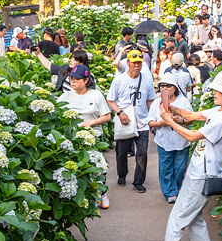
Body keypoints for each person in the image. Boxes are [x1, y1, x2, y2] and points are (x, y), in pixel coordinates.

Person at [142, 69, 222, 241]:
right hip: (200, 171)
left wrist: (167, 120)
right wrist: (171, 108)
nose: (214, 91)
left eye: (219, 90)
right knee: (195, 217)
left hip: (202, 175)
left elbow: (192, 136)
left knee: (177, 218)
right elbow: (192, 116)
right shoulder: (221, 110)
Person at [60, 64, 112, 209]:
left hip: (94, 137)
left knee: (98, 166)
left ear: (86, 80)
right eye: (71, 79)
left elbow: (107, 116)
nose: (73, 81)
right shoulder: (66, 96)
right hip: (73, 139)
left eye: (76, 79)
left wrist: (90, 123)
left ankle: (102, 192)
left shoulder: (95, 95)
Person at [106, 49, 155, 193]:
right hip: (125, 122)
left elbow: (150, 100)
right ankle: (122, 175)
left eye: (139, 63)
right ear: (127, 63)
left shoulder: (147, 79)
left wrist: (151, 118)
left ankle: (138, 181)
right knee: (121, 152)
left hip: (142, 123)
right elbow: (110, 100)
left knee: (142, 153)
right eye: (134, 63)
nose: (137, 66)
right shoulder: (119, 80)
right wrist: (120, 113)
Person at [147, 79, 193, 204]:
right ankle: (169, 192)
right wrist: (160, 123)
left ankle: (177, 187)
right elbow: (150, 122)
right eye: (163, 86)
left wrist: (180, 121)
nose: (166, 88)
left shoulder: (183, 102)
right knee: (166, 168)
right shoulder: (157, 103)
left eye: (169, 85)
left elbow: (191, 119)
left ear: (175, 88)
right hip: (164, 140)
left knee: (180, 167)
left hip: (181, 140)